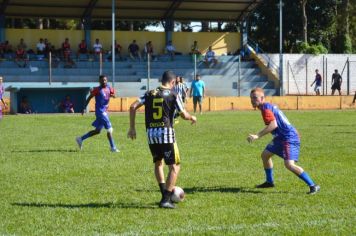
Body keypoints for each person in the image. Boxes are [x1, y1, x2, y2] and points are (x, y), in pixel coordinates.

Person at [128, 71, 197, 209]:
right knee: (175, 166)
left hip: (151, 135)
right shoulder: (173, 95)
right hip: (166, 134)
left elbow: (132, 106)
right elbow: (183, 114)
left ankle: (164, 194)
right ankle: (166, 199)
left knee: (158, 163)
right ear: (172, 82)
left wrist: (132, 128)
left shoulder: (149, 93)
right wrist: (192, 117)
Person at [247, 87, 320, 194]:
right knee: (265, 155)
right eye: (251, 98)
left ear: (262, 98)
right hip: (281, 137)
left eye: (255, 98)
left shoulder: (266, 108)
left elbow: (273, 124)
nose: (252, 100)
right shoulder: (268, 106)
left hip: (289, 137)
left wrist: (257, 135)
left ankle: (313, 185)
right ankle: (269, 181)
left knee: (289, 164)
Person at [76, 75, 119, 152]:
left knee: (97, 131)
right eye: (102, 80)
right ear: (99, 81)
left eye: (105, 80)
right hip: (100, 112)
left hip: (104, 111)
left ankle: (80, 139)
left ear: (107, 80)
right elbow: (89, 97)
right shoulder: (97, 90)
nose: (104, 82)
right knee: (109, 129)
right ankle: (113, 147)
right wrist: (84, 108)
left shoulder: (109, 88)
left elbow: (113, 95)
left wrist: (113, 95)